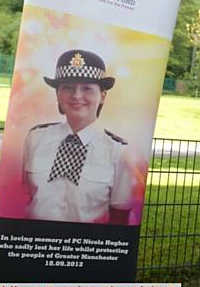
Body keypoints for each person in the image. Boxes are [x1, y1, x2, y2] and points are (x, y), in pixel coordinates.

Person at [23, 49, 134, 225]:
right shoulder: (35, 138)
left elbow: (120, 218)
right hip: (34, 245)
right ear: (57, 95)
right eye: (67, 87)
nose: (76, 96)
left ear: (102, 96)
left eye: (87, 88)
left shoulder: (118, 151)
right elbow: (20, 197)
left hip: (86, 248)